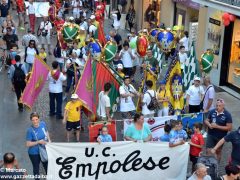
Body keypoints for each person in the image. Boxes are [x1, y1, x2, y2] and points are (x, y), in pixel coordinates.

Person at [26, 112, 51, 179]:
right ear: (31, 120)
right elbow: (28, 144)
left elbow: (46, 131)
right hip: (34, 153)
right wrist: (38, 142)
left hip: (44, 149)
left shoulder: (43, 124)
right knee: (36, 168)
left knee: (47, 166)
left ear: (39, 119)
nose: (35, 121)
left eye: (36, 119)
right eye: (33, 120)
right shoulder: (30, 130)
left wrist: (49, 140)